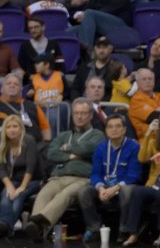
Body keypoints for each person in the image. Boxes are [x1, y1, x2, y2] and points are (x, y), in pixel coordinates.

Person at [25, 98, 105, 239]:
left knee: (65, 194)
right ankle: (37, 229)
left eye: (83, 113)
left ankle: (38, 224)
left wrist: (67, 149)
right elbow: (52, 153)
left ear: (90, 115)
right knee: (44, 193)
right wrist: (72, 156)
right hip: (60, 176)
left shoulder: (97, 135)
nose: (79, 117)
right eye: (76, 113)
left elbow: (89, 148)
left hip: (82, 178)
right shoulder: (64, 135)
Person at [121, 114, 160, 247]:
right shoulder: (153, 142)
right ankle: (133, 233)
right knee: (137, 191)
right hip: (153, 184)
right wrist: (149, 133)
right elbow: (142, 158)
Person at [77, 114, 141, 242]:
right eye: (110, 127)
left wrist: (115, 188)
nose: (114, 130)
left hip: (123, 185)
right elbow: (95, 173)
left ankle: (124, 230)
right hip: (105, 186)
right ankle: (93, 228)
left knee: (127, 190)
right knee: (83, 191)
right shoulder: (101, 147)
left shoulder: (134, 147)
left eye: (118, 126)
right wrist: (100, 188)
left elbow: (133, 175)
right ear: (106, 130)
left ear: (124, 129)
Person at [0, 115, 40, 237]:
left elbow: (31, 167)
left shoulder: (28, 140)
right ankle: (6, 226)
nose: (12, 130)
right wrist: (9, 186)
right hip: (14, 179)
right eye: (8, 127)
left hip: (33, 179)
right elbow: (2, 168)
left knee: (18, 197)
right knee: (6, 194)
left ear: (21, 128)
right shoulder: (4, 144)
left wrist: (22, 187)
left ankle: (5, 226)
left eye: (15, 126)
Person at [0, 72, 52, 144]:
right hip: (9, 146)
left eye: (16, 84)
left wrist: (46, 143)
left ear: (21, 89)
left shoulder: (32, 105)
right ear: (2, 89)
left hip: (36, 146)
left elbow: (45, 127)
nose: (12, 86)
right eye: (8, 83)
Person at [129, 68, 160, 137]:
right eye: (144, 79)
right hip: (149, 139)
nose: (147, 81)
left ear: (154, 81)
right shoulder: (136, 100)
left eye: (150, 79)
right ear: (137, 82)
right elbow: (155, 117)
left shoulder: (159, 95)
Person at [17, 16, 61, 85]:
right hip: (31, 83)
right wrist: (29, 76)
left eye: (36, 27)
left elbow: (60, 64)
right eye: (30, 28)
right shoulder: (25, 45)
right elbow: (20, 67)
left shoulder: (53, 44)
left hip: (52, 82)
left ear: (43, 27)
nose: (33, 30)